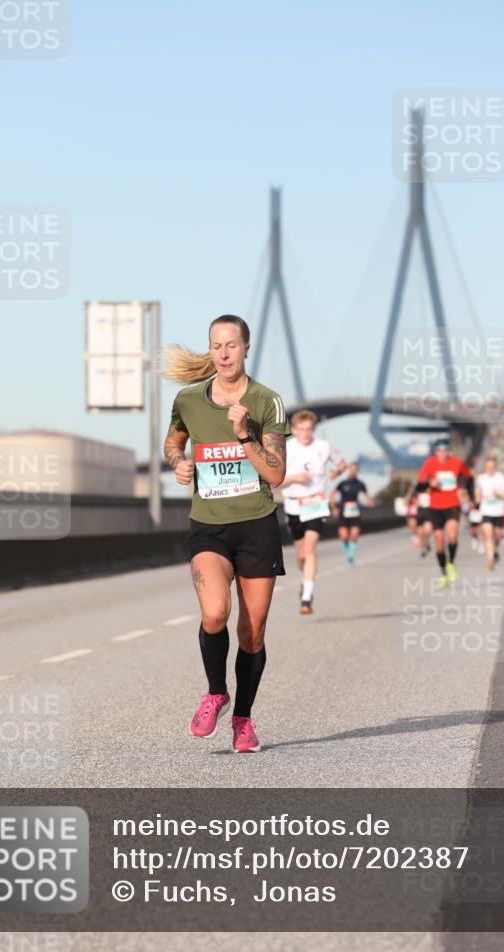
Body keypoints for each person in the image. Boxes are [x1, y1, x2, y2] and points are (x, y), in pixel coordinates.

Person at [162, 314, 289, 754]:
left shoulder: (266, 401)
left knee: (251, 633)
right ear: (211, 350)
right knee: (215, 614)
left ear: (246, 348)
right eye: (216, 345)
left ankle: (243, 720)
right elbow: (173, 442)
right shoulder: (189, 400)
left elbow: (276, 474)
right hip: (209, 527)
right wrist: (178, 461)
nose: (224, 353)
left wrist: (243, 436)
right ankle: (216, 692)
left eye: (231, 345)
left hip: (256, 526)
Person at [281, 410, 346, 614]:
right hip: (293, 505)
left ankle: (307, 597)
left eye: (309, 429)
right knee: (301, 553)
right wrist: (293, 478)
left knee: (310, 548)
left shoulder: (323, 447)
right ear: (293, 430)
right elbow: (274, 480)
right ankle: (304, 579)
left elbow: (341, 462)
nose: (306, 433)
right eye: (301, 429)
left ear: (313, 429)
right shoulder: (285, 448)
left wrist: (338, 471)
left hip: (316, 504)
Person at [416, 437, 474, 588]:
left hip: (452, 505)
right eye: (439, 450)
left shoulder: (457, 463)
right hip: (435, 507)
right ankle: (444, 575)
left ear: (449, 451)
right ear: (435, 452)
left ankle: (451, 563)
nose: (442, 453)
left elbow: (469, 478)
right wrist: (430, 483)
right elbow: (419, 486)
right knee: (439, 540)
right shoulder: (430, 464)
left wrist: (463, 488)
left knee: (453, 534)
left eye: (445, 450)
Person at [329, 462, 376, 565]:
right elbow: (332, 496)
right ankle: (347, 550)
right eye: (352, 469)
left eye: (356, 469)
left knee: (354, 534)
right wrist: (334, 508)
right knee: (344, 536)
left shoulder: (360, 484)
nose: (354, 471)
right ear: (349, 470)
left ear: (357, 471)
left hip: (355, 512)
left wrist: (370, 501)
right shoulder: (342, 484)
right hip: (343, 512)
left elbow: (367, 495)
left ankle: (351, 556)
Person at [475, 456, 504, 570]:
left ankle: (496, 550)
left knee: (497, 536)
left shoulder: (501, 478)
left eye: (492, 467)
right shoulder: (481, 478)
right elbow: (477, 493)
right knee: (488, 534)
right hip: (486, 511)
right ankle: (490, 560)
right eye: (488, 467)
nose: (490, 469)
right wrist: (478, 499)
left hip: (499, 512)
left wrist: (498, 495)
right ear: (485, 467)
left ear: (495, 467)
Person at [406, 481, 433, 557]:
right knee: (421, 534)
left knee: (427, 531)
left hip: (429, 514)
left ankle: (426, 543)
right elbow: (408, 502)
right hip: (419, 515)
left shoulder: (431, 491)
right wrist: (410, 492)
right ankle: (423, 549)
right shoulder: (415, 492)